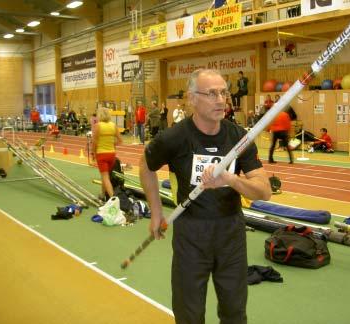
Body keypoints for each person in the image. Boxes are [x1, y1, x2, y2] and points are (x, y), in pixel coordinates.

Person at [139, 69, 271, 324]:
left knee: (235, 312)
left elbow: (263, 190)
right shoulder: (174, 137)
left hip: (230, 232)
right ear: (192, 99)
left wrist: (231, 180)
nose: (221, 100)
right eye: (211, 93)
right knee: (189, 313)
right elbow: (146, 166)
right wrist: (156, 212)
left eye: (224, 92)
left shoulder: (238, 138)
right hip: (191, 233)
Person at [91, 107, 122, 200]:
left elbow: (95, 142)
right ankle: (103, 194)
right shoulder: (113, 125)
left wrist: (93, 153)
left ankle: (114, 199)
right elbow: (120, 140)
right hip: (112, 154)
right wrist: (112, 144)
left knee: (105, 177)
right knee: (105, 175)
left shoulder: (98, 126)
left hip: (101, 154)